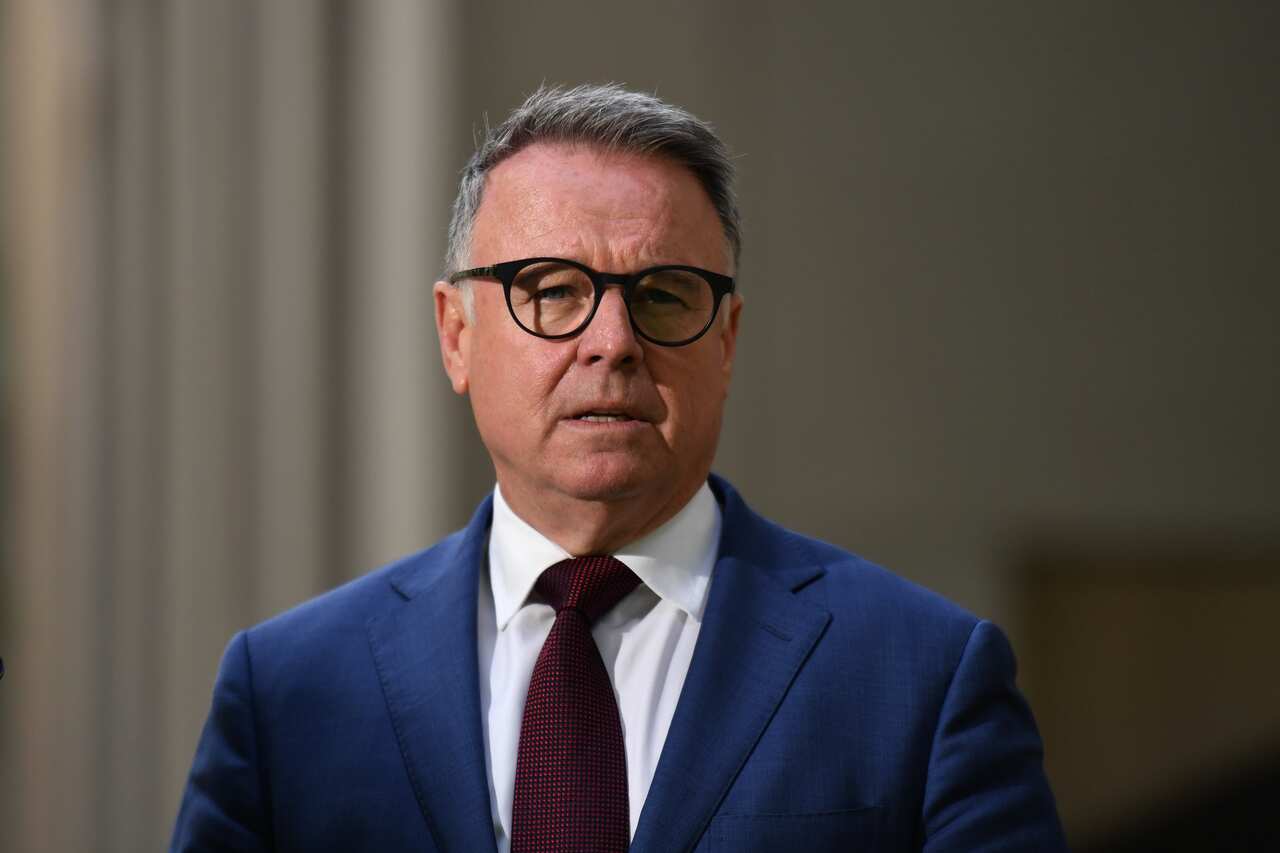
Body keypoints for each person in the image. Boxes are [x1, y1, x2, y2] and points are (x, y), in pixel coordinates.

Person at [172, 84, 1067, 852]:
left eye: (664, 295)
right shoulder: (289, 691)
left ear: (726, 341)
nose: (613, 343)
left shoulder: (922, 675)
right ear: (456, 335)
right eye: (552, 289)